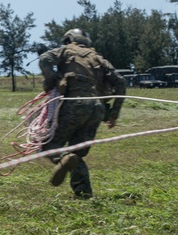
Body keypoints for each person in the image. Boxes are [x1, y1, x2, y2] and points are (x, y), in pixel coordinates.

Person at [38, 28, 126, 199]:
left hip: (75, 103)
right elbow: (120, 82)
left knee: (49, 144)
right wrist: (114, 113)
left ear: (68, 39)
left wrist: (55, 80)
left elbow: (44, 59)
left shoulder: (66, 50)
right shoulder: (99, 58)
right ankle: (84, 194)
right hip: (97, 109)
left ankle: (63, 158)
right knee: (77, 154)